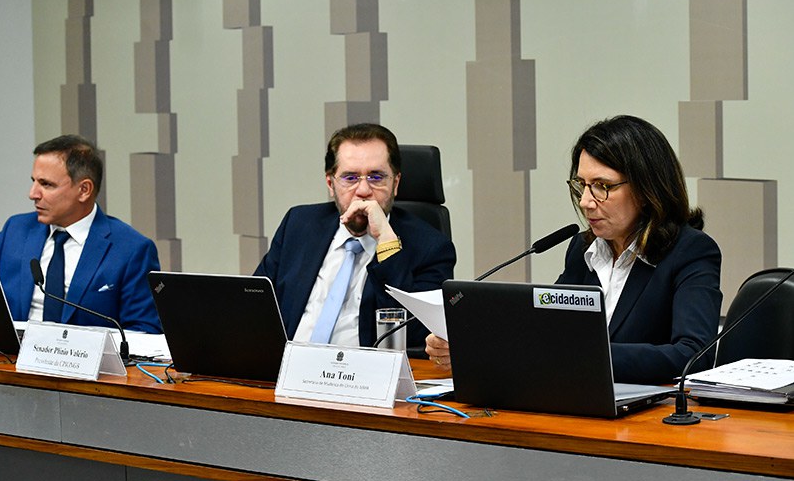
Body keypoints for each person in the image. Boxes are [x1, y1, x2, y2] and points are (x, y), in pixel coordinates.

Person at [427, 115, 722, 384]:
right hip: (577, 401)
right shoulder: (582, 250)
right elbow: (542, 331)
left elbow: (693, 355)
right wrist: (472, 348)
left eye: (602, 186)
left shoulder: (690, 252)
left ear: (647, 190)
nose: (585, 202)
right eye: (582, 185)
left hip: (646, 418)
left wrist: (583, 356)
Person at [255, 123, 456, 348]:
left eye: (376, 177)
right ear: (331, 184)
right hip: (284, 372)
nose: (363, 191)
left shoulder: (431, 247)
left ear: (396, 183)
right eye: (350, 178)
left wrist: (386, 243)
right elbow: (254, 305)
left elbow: (416, 334)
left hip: (362, 377)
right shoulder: (299, 224)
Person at [0, 135, 162, 333]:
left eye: (46, 184)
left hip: (86, 360)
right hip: (9, 359)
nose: (32, 194)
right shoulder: (16, 230)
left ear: (84, 190)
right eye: (34, 182)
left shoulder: (131, 249)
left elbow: (145, 330)